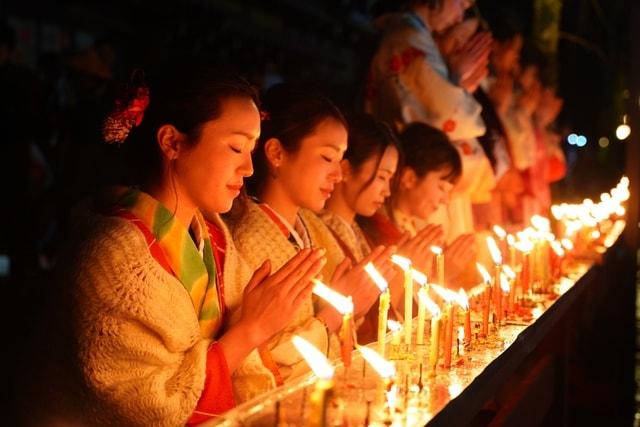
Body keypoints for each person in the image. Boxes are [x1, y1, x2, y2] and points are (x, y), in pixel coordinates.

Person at [17, 65, 326, 426]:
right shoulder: (113, 257)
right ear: (172, 142)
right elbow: (153, 407)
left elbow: (252, 343)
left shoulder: (214, 237)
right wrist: (251, 330)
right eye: (236, 147)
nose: (248, 168)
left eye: (251, 149)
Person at [228, 84, 390, 382]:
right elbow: (258, 364)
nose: (338, 175)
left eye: (341, 161)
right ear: (276, 152)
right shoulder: (245, 239)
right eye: (327, 158)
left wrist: (354, 306)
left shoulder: (315, 228)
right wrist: (331, 316)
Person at [360, 122, 476, 287]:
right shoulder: (378, 230)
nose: (446, 200)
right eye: (442, 188)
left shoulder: (417, 227)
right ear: (409, 178)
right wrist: (441, 274)